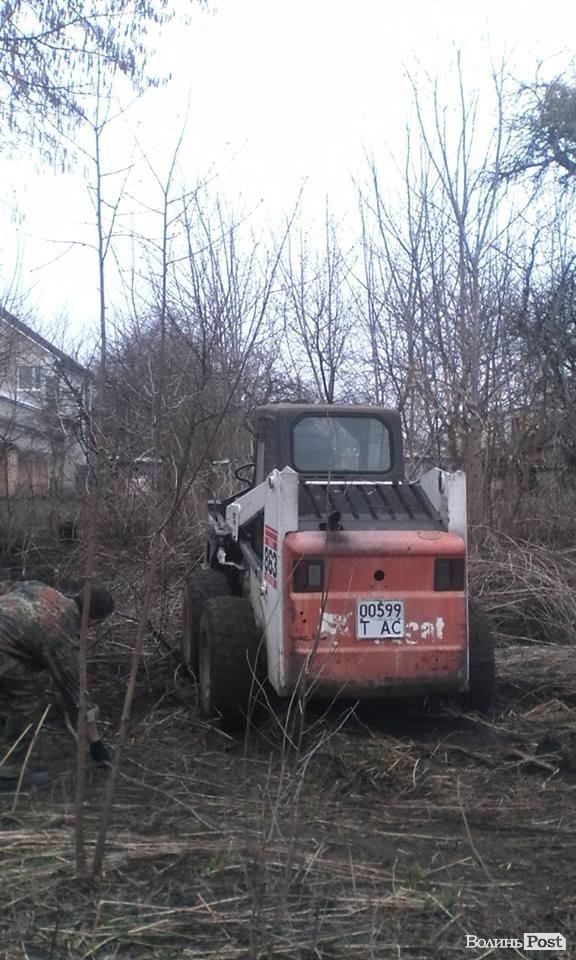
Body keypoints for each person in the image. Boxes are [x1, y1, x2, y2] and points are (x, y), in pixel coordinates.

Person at [0, 580, 114, 778]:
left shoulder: (42, 589)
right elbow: (77, 696)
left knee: (17, 680)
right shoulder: (63, 636)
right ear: (93, 621)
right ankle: (10, 771)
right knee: (27, 699)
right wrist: (96, 745)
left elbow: (7, 586)